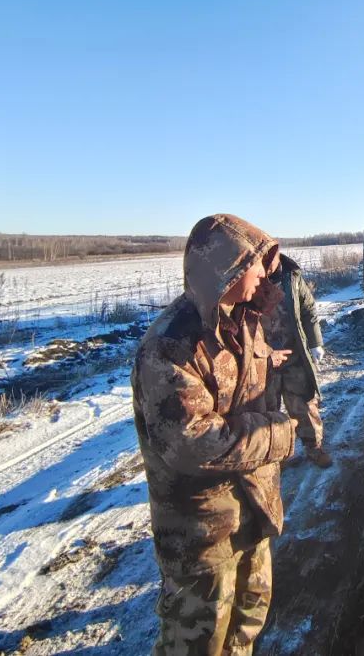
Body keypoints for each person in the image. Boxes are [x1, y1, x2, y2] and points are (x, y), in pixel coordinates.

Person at [131, 214, 298, 655]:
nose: (264, 273)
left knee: (247, 624)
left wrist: (270, 349)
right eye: (256, 265)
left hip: (252, 509)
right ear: (229, 270)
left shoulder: (242, 320)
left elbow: (242, 388)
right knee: (200, 641)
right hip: (203, 532)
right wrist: (278, 436)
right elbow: (192, 441)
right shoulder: (171, 345)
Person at [263, 252, 333, 468]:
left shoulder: (292, 278)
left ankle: (314, 448)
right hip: (262, 360)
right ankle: (275, 456)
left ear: (278, 258)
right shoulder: (250, 281)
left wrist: (315, 342)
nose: (265, 265)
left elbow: (308, 310)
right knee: (266, 411)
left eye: (269, 259)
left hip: (293, 355)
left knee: (304, 405)